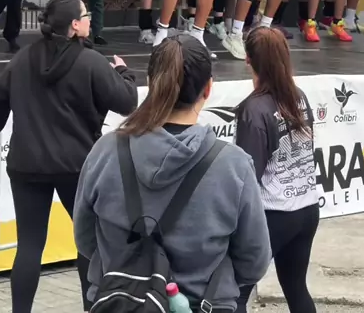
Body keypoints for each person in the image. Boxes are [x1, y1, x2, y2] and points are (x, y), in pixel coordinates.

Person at [74, 34, 271, 312]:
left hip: (119, 303)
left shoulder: (105, 151)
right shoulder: (233, 165)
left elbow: (85, 239)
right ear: (208, 88)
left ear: (150, 83)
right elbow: (254, 261)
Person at [0, 0, 138, 313]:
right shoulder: (91, 62)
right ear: (74, 25)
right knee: (88, 243)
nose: (89, 19)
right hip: (76, 167)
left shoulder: (22, 59)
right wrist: (124, 73)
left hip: (26, 165)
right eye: (85, 15)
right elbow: (127, 103)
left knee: (29, 245)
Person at [235, 28, 319, 313]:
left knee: (235, 293)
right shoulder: (299, 96)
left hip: (274, 214)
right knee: (296, 288)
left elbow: (248, 175)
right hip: (307, 209)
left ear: (248, 59)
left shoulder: (253, 109)